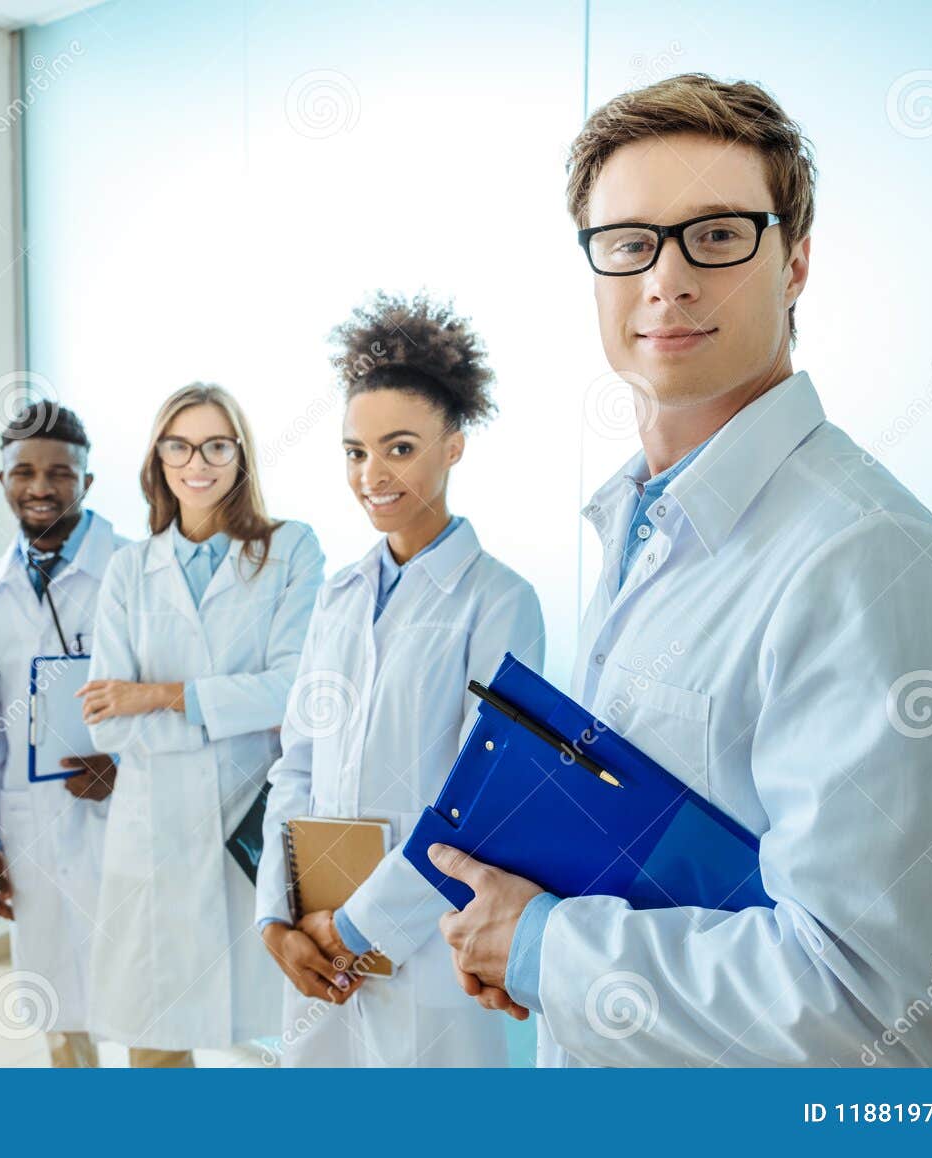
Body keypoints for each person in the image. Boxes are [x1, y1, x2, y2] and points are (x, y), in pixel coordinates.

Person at [432, 73, 932, 1067]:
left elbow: (887, 1022)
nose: (665, 279)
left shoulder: (867, 559)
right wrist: (542, 934)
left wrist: (543, 947)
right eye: (629, 244)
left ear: (795, 263)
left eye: (717, 235)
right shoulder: (645, 521)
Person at [255, 292, 545, 1066]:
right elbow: (296, 763)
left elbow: (481, 805)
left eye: (400, 448)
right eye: (355, 451)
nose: (372, 475)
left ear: (454, 445)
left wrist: (355, 928)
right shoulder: (338, 595)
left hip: (425, 945)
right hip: (316, 941)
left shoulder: (500, 601)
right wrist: (278, 922)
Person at [81, 383, 324, 1067]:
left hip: (250, 814)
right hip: (152, 829)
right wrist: (222, 711)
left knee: (287, 1027)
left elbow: (292, 691)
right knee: (154, 1039)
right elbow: (105, 722)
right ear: (158, 458)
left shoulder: (291, 549)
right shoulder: (129, 569)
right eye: (181, 445)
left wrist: (157, 696)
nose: (199, 462)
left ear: (240, 456)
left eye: (218, 444)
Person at [0, 401, 129, 1067]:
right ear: (1, 481)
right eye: (23, 471)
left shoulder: (136, 570)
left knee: (149, 996)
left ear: (87, 482)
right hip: (28, 821)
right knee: (56, 996)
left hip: (126, 813)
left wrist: (126, 763)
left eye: (60, 472)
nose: (40, 486)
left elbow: (173, 694)